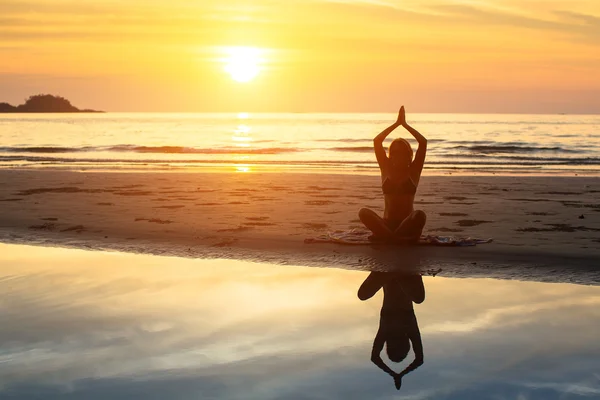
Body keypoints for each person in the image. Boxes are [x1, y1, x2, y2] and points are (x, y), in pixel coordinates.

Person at [359, 106, 427, 243]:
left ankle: (389, 237)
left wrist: (405, 125)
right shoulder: (385, 167)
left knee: (420, 215)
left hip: (406, 224)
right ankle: (396, 238)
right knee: (363, 212)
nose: (398, 156)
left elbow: (423, 142)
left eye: (402, 152)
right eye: (394, 153)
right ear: (391, 155)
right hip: (386, 223)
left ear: (409, 155)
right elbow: (377, 141)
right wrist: (396, 124)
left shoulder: (414, 170)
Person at [358, 271, 425, 390]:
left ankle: (389, 272)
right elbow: (419, 359)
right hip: (405, 277)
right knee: (419, 299)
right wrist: (397, 374)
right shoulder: (407, 329)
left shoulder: (386, 330)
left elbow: (375, 357)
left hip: (388, 276)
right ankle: (401, 273)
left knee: (362, 295)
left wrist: (397, 374)